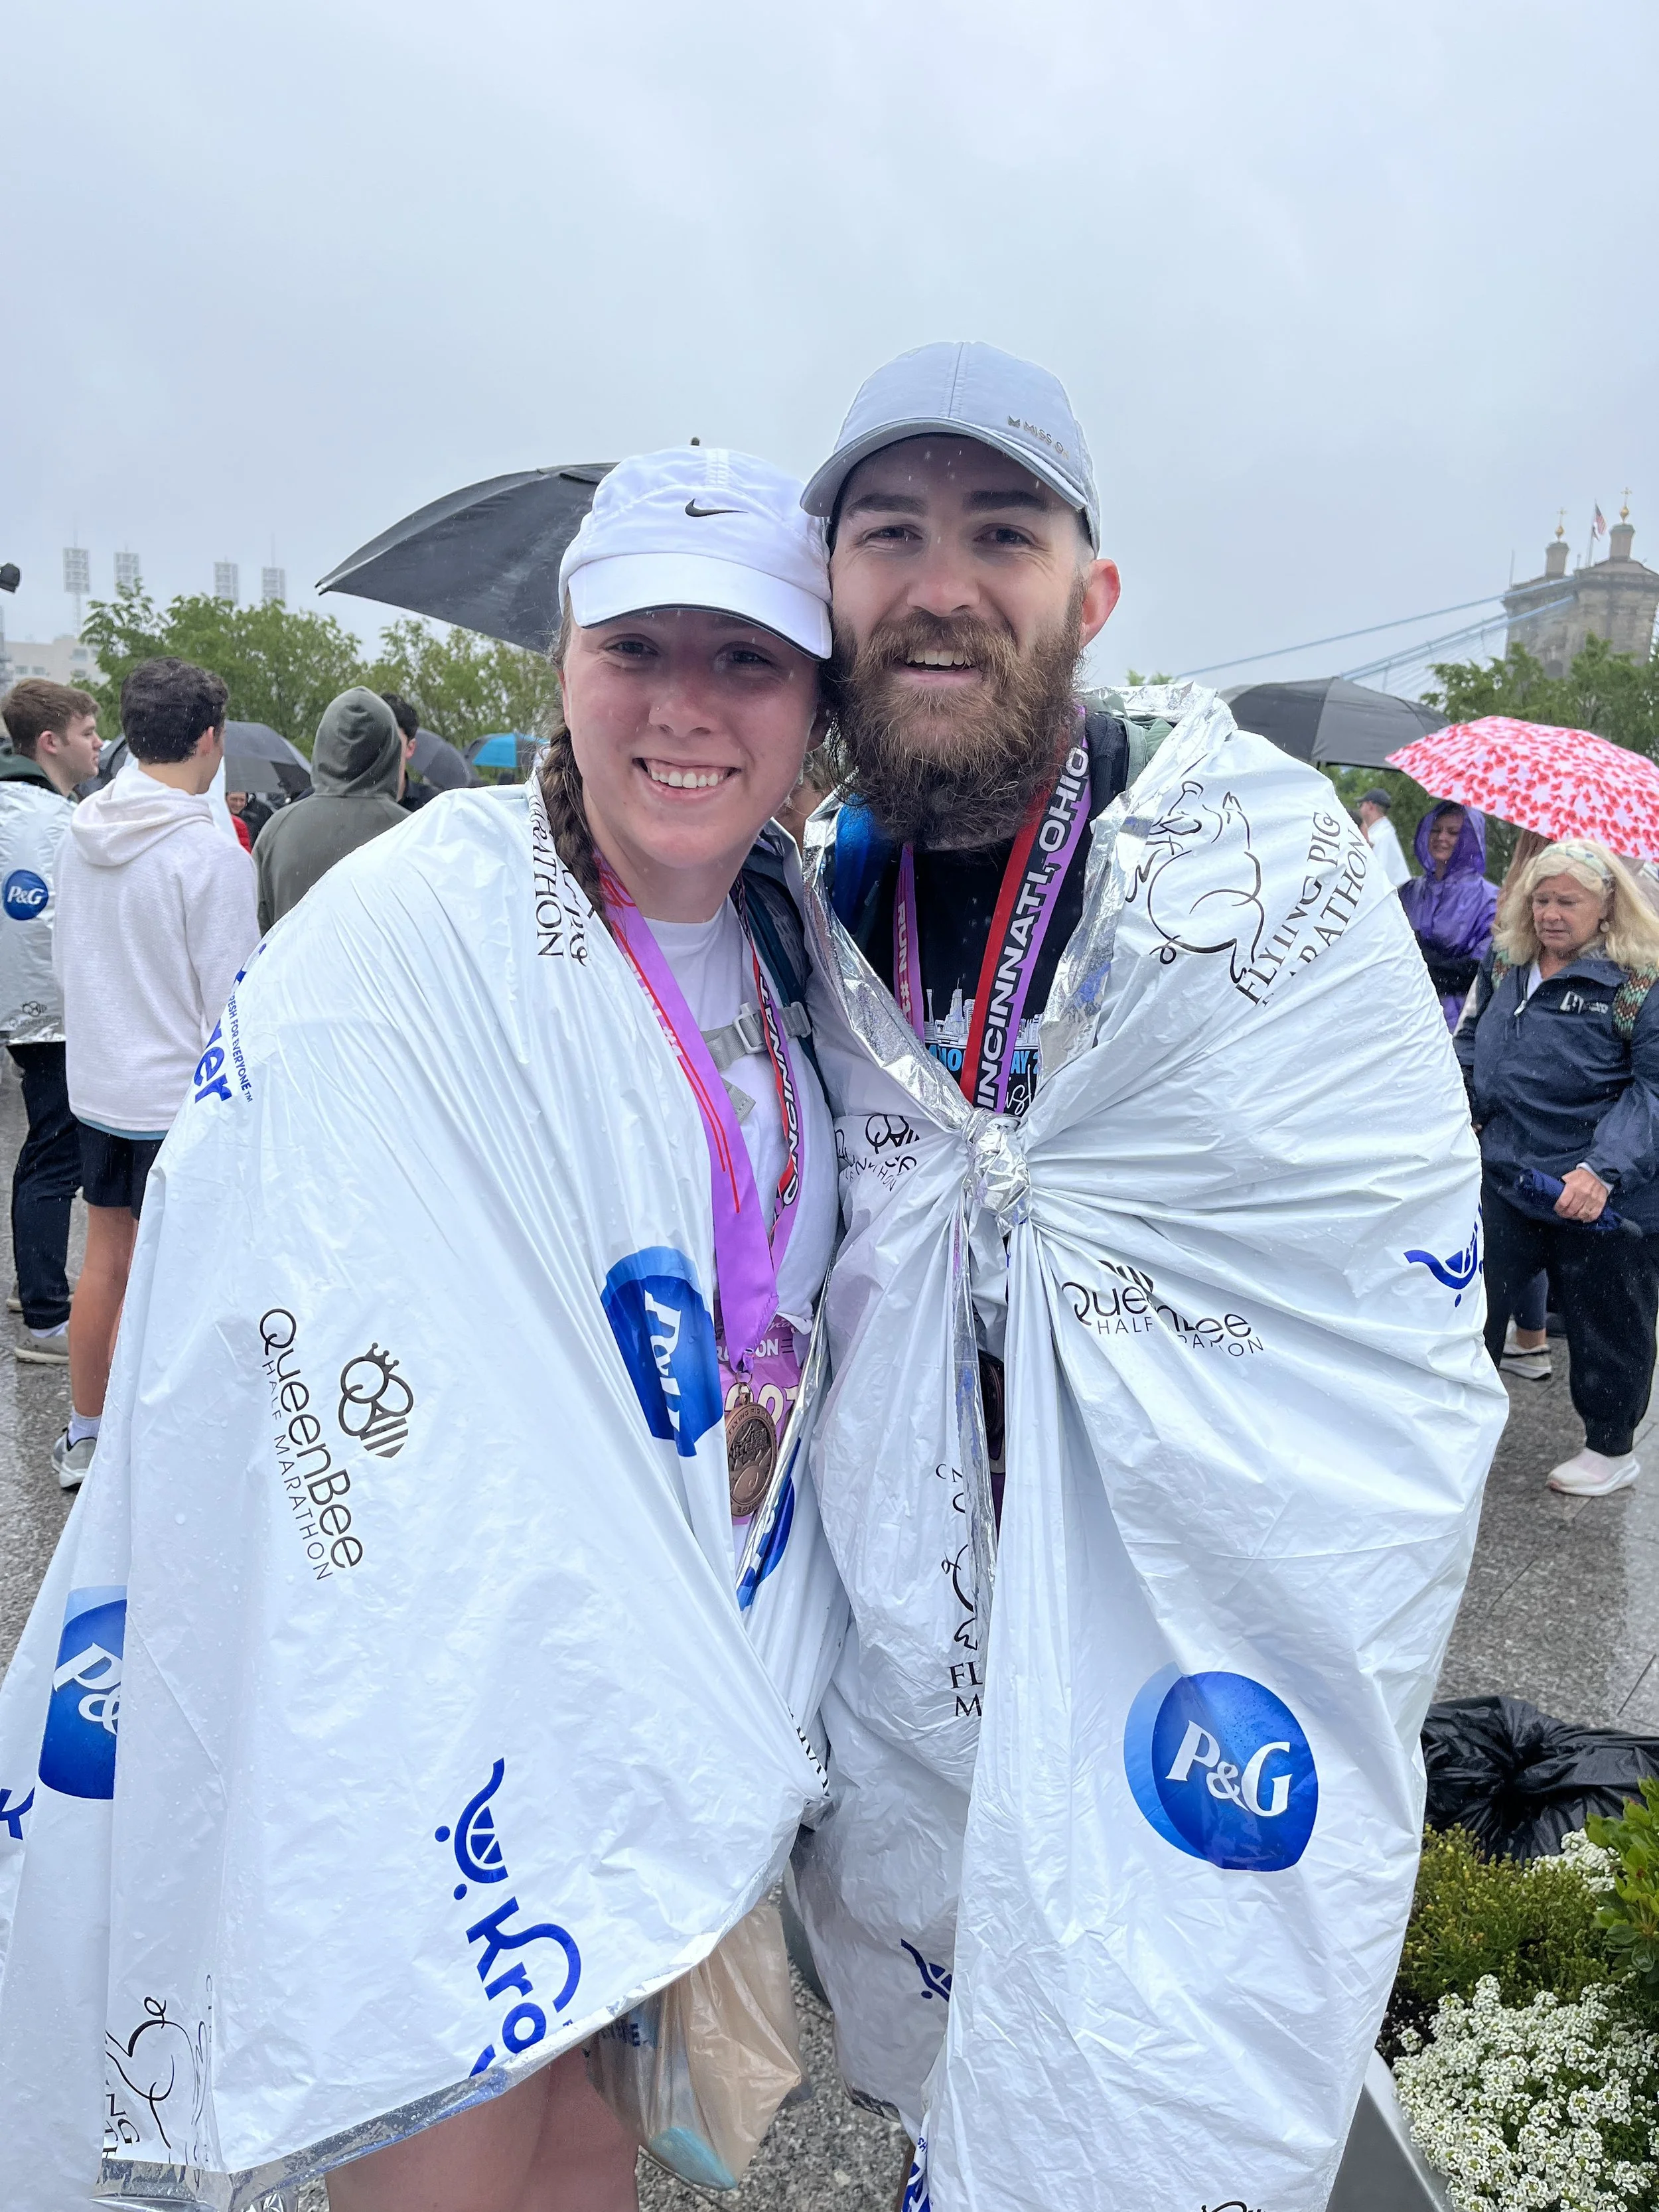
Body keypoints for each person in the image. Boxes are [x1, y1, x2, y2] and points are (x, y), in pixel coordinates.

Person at [0, 453, 843, 2212]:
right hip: (440, 1692)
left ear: (812, 702)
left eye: (746, 658)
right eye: (638, 648)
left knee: (596, 2150)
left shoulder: (805, 957)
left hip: (669, 1689)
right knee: (439, 2161)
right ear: (559, 662)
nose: (687, 706)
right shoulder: (413, 924)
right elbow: (273, 1293)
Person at [785, 343, 1502, 2207]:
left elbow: (1382, 1296)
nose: (940, 581)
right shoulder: (803, 894)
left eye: (998, 532)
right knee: (956, 2050)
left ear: (1088, 595)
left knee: (1164, 2078)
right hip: (904, 1649)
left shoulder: (1253, 876)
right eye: (890, 534)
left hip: (1168, 1640)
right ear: (829, 584)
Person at [50, 656, 259, 1488]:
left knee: (104, 1257)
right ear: (210, 738)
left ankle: (86, 1434)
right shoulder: (209, 857)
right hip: (177, 1099)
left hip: (97, 1084)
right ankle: (157, 1447)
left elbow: (67, 958)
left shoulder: (83, 829)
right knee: (181, 1277)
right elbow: (232, 1005)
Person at [1458, 837, 1659, 1497]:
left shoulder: (1638, 979)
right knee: (1468, 1306)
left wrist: (1603, 1170)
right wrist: (1459, 1108)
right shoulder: (1506, 961)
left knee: (1608, 1320)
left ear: (1605, 905)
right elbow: (1471, 1040)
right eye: (1540, 898)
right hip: (1507, 1173)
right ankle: (1455, 1427)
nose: (1550, 912)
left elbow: (1651, 1090)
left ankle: (1608, 1447)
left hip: (1597, 1192)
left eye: (1567, 901)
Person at [0, 680, 102, 1363]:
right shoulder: (52, 825)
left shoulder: (21, 811)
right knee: (56, 1157)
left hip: (26, 1014)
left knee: (41, 1149)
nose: (98, 744)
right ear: (50, 742)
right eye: (89, 731)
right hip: (51, 1016)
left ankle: (33, 1280)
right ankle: (46, 1316)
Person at [253, 688, 409, 930]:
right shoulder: (413, 831)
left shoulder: (278, 829)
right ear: (391, 750)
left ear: (323, 744)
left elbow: (256, 929)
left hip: (296, 967)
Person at [1400, 798, 1498, 1027]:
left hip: (1454, 1020)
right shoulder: (1409, 891)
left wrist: (1421, 955)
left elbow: (1479, 973)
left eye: (1453, 832)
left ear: (1470, 839)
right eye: (1436, 829)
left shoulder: (1490, 900)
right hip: (1404, 1009)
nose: (1441, 838)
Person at [1356, 785, 1410, 889]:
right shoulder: (1384, 832)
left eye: (1361, 805)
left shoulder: (1379, 837)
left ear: (1370, 805)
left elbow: (1375, 878)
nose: (1360, 809)